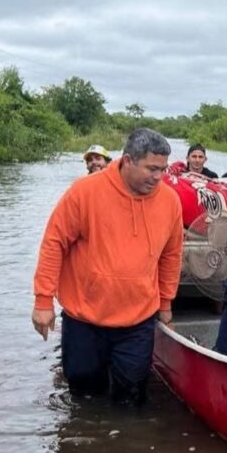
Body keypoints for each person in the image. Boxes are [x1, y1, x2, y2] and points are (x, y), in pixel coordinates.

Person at [32, 128, 184, 404]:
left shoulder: (170, 201)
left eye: (163, 169)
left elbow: (171, 255)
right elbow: (54, 242)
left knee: (131, 396)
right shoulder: (85, 191)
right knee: (83, 393)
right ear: (127, 160)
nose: (158, 177)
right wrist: (43, 301)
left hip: (138, 319)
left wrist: (166, 304)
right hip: (85, 319)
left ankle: (123, 444)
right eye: (151, 168)